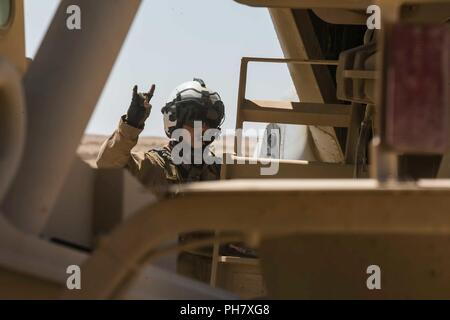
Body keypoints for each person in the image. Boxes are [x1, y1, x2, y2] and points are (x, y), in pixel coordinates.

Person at [96, 78, 255, 282]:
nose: (202, 129)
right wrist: (130, 126)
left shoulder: (222, 173)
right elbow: (108, 166)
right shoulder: (154, 167)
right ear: (174, 121)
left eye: (209, 123)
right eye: (194, 121)